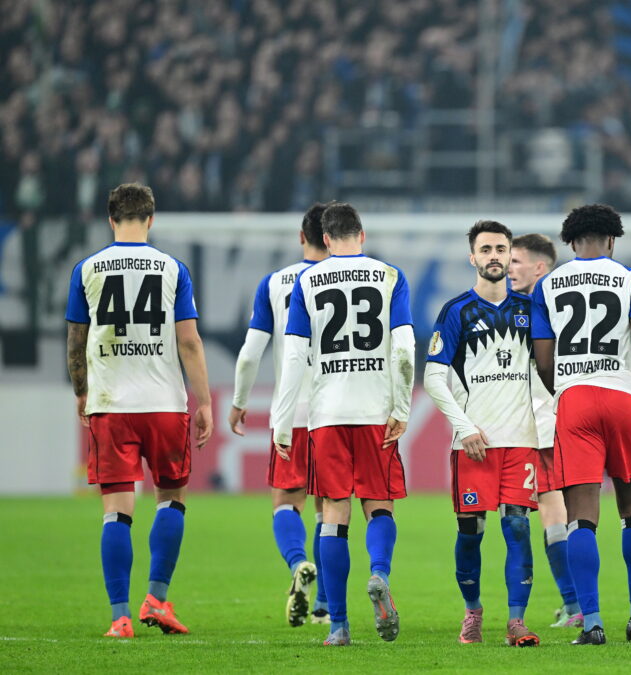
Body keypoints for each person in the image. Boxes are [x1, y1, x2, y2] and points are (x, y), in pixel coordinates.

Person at [65, 183, 213, 638]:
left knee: (116, 511)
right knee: (171, 499)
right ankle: (157, 599)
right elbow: (188, 340)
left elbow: (76, 340)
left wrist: (82, 390)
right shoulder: (173, 269)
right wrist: (204, 400)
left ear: (111, 220)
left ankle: (120, 618)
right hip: (165, 404)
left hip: (112, 405)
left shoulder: (87, 269)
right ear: (151, 220)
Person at [271, 202, 415, 646]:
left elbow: (294, 353)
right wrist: (402, 408)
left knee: (333, 515)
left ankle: (338, 626)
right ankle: (379, 573)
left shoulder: (308, 279)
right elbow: (405, 347)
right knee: (379, 505)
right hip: (376, 413)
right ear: (362, 235)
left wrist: (281, 420)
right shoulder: (390, 276)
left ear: (327, 240)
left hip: (327, 415)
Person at [532, 203, 631, 646]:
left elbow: (542, 358)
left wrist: (566, 390)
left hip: (574, 400)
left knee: (581, 518)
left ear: (570, 243)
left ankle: (592, 623)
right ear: (612, 241)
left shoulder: (547, 285)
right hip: (621, 395)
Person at [424, 221, 542, 647]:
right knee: (470, 532)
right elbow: (434, 377)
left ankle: (516, 622)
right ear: (472, 257)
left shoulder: (531, 311)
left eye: (501, 249)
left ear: (511, 256)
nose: (494, 256)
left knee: (518, 527)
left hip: (521, 441)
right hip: (473, 445)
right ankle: (472, 610)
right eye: (486, 249)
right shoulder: (456, 312)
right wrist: (464, 428)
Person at [229, 203, 330, 626]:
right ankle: (326, 606)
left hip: (291, 412)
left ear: (300, 237)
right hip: (338, 413)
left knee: (286, 503)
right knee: (332, 511)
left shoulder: (274, 283)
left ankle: (297, 564)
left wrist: (239, 401)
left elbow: (252, 352)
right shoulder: (360, 278)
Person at [508, 233, 582, 628]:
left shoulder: (538, 304)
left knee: (551, 507)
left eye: (516, 261)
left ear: (540, 267)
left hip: (545, 417)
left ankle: (576, 605)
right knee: (561, 507)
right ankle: (575, 603)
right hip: (563, 414)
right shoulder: (568, 299)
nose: (508, 267)